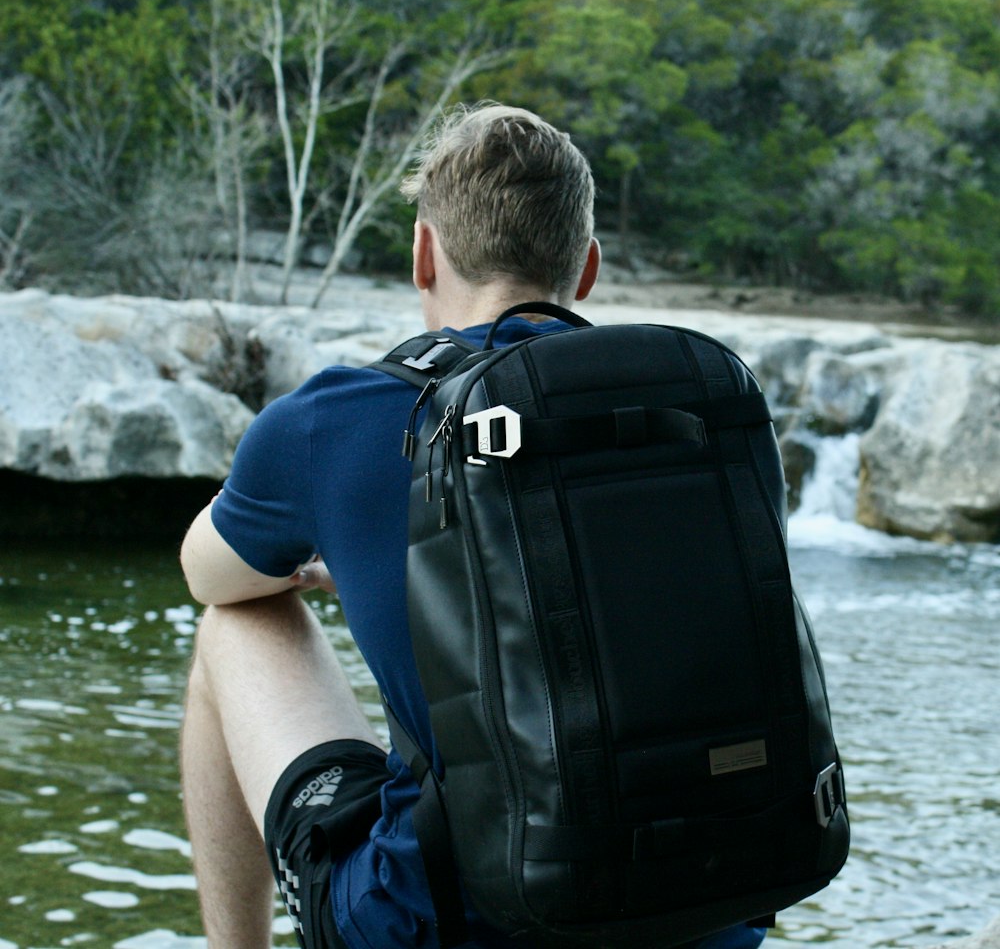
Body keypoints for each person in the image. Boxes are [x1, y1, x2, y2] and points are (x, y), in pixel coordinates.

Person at [179, 102, 766, 949]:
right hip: (705, 909)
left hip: (451, 917)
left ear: (423, 255)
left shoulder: (337, 417)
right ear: (587, 268)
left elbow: (210, 574)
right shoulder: (698, 404)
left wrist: (355, 549)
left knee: (231, 629)